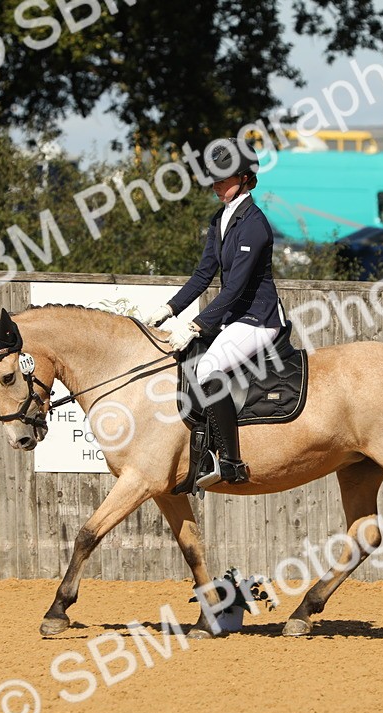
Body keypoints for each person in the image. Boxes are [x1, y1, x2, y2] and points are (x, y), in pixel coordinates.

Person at [139, 138, 284, 490]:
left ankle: (231, 462)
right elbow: (204, 275)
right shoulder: (220, 218)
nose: (218, 186)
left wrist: (197, 324)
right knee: (184, 360)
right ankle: (200, 451)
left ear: (246, 179)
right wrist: (168, 309)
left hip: (258, 318)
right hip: (234, 317)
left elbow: (234, 288)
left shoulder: (255, 224)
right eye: (215, 181)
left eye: (225, 180)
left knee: (207, 368)